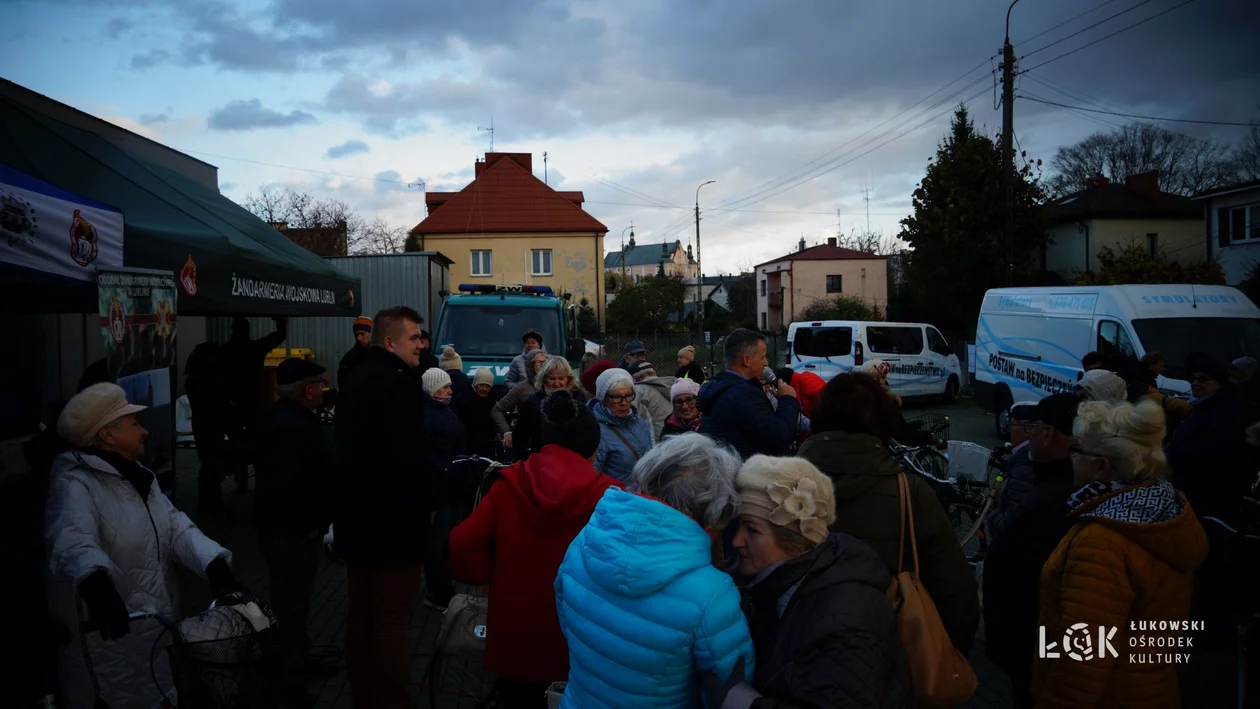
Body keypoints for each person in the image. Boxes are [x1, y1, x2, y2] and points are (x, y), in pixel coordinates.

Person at [46, 383, 238, 709]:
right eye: (134, 424)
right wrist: (96, 586)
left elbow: (176, 528)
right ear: (107, 435)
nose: (145, 431)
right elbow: (72, 539)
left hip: (154, 630)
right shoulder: (75, 484)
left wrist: (214, 565)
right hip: (108, 639)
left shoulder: (138, 476)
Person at [554, 433, 756, 708]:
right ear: (711, 508)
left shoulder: (585, 543)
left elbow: (568, 623)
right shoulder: (712, 592)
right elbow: (726, 691)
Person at [449, 390, 621, 709]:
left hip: (515, 640)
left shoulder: (510, 483)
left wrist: (486, 574)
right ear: (595, 447)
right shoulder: (612, 497)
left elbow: (462, 544)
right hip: (581, 644)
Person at [1032, 400, 1207, 708]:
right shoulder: (1163, 510)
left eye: (1078, 451)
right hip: (1153, 688)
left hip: (1110, 696)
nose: (1071, 458)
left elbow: (1082, 660)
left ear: (1102, 466)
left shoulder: (1103, 541)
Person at [704, 455, 914, 709]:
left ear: (794, 539)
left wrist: (741, 702)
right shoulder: (786, 583)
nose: (736, 541)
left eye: (752, 529)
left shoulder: (845, 618)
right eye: (738, 527)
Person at [797, 373, 979, 654]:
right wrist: (951, 655)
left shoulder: (781, 486)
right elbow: (955, 591)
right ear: (882, 423)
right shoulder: (910, 492)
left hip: (804, 648)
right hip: (890, 650)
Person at [332, 306, 435, 709]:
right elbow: (408, 458)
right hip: (394, 527)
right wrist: (424, 505)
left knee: (362, 617)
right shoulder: (397, 384)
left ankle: (364, 695)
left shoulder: (356, 376)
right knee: (392, 619)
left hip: (358, 524)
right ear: (390, 342)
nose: (422, 344)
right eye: (414, 338)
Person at [982, 394, 1079, 709]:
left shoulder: (1046, 500)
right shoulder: (1059, 488)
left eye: (1031, 427)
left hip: (1035, 638)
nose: (1025, 433)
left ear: (1048, 433)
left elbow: (1019, 566)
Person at [254, 358, 337, 707]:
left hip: (293, 530)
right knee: (290, 603)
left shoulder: (291, 419)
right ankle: (287, 681)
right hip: (290, 533)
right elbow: (289, 486)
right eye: (319, 383)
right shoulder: (290, 427)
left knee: (298, 602)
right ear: (306, 390)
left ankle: (298, 661)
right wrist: (307, 525)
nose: (323, 388)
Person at [1165, 354, 1251, 525]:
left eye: (1203, 379)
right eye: (1193, 378)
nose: (1195, 382)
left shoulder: (1224, 413)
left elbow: (1212, 449)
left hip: (1208, 492)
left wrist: (1171, 453)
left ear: (1219, 382)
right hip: (1194, 487)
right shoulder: (1204, 405)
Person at [698, 328, 800, 459]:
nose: (766, 363)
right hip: (745, 473)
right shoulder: (743, 394)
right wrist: (788, 399)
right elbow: (780, 437)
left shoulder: (721, 388)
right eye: (763, 357)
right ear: (746, 360)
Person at [420, 367, 466, 610]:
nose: (450, 391)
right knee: (438, 542)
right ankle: (437, 591)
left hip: (454, 485)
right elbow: (425, 453)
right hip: (440, 489)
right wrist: (446, 467)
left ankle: (444, 586)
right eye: (444, 387)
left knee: (449, 540)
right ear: (432, 389)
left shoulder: (445, 410)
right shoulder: (426, 415)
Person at [182, 342, 235, 515]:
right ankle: (211, 505)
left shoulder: (197, 378)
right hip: (209, 426)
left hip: (205, 426)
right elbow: (215, 404)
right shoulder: (203, 380)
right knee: (211, 466)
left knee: (209, 465)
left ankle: (210, 504)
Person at [590, 367, 653, 483]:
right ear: (603, 398)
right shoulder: (596, 431)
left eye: (628, 396)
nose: (624, 403)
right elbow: (594, 475)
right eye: (617, 397)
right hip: (618, 497)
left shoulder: (640, 421)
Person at [512, 356, 583, 460]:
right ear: (544, 379)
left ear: (568, 379)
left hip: (572, 460)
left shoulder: (578, 398)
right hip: (542, 461)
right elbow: (520, 436)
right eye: (552, 378)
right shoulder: (532, 401)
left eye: (561, 378)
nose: (557, 383)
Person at [855, 359, 934, 447]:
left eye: (884, 377)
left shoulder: (858, 397)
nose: (883, 381)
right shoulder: (883, 400)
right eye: (881, 377)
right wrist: (927, 437)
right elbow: (899, 432)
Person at [493, 348, 548, 453]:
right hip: (527, 444)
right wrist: (507, 432)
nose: (543, 365)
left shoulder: (552, 384)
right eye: (539, 362)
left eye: (545, 362)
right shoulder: (521, 387)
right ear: (530, 365)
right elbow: (497, 409)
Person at [452, 367, 500, 458]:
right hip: (468, 445)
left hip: (487, 446)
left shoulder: (493, 399)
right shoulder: (462, 400)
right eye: (482, 385)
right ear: (475, 384)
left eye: (488, 386)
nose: (484, 389)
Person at [629, 360, 676, 442]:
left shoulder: (638, 391)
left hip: (654, 440)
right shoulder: (671, 386)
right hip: (674, 436)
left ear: (634, 378)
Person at [337, 316, 374, 393]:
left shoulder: (378, 355)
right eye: (356, 335)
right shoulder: (349, 357)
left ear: (370, 334)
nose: (359, 338)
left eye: (362, 334)